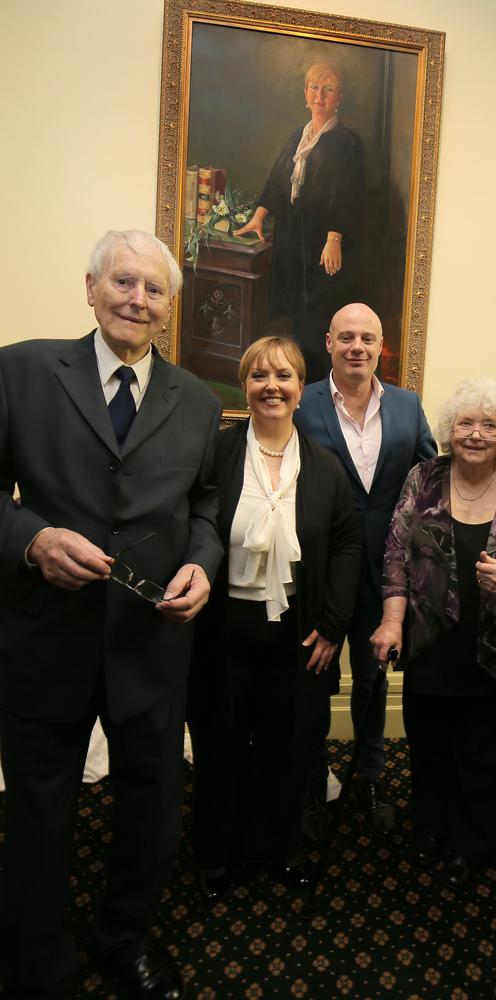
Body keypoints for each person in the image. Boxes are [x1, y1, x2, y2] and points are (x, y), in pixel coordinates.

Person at [0, 230, 223, 1000]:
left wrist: (203, 561)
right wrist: (31, 541)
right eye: (122, 282)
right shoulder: (20, 369)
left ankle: (124, 937)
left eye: (154, 289)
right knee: (38, 814)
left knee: (153, 808)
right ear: (89, 287)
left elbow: (206, 504)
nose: (137, 299)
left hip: (150, 640)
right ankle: (40, 958)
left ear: (169, 306)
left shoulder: (197, 401)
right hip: (43, 636)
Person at [371, 378, 496, 889]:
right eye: (465, 423)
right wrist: (392, 621)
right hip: (431, 643)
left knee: (488, 752)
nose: (476, 434)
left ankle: (473, 845)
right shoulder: (424, 478)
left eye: (490, 425)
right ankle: (431, 827)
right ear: (449, 429)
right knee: (430, 746)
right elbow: (395, 555)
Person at [187, 336, 360, 898]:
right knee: (221, 745)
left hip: (298, 632)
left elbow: (345, 547)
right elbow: (191, 523)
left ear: (300, 388)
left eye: (284, 376)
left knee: (289, 748)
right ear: (245, 385)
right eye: (259, 376)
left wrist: (334, 625)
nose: (272, 386)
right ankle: (216, 854)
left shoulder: (326, 468)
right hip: (221, 629)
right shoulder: (214, 453)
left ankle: (283, 847)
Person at [294, 303, 436, 838]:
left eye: (368, 339)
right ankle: (312, 781)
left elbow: (428, 478)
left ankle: (371, 777)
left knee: (372, 684)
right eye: (346, 337)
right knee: (313, 683)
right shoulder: (301, 402)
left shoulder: (407, 405)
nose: (357, 347)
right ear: (328, 341)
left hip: (387, 577)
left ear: (382, 346)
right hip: (321, 574)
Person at [234, 61, 364, 381]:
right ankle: (285, 374)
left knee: (315, 313)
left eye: (328, 89)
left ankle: (316, 381)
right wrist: (260, 216)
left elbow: (346, 194)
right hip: (291, 234)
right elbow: (279, 179)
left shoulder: (347, 142)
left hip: (321, 241)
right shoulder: (299, 136)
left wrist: (334, 239)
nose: (320, 95)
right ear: (306, 94)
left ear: (339, 98)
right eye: (314, 88)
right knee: (287, 308)